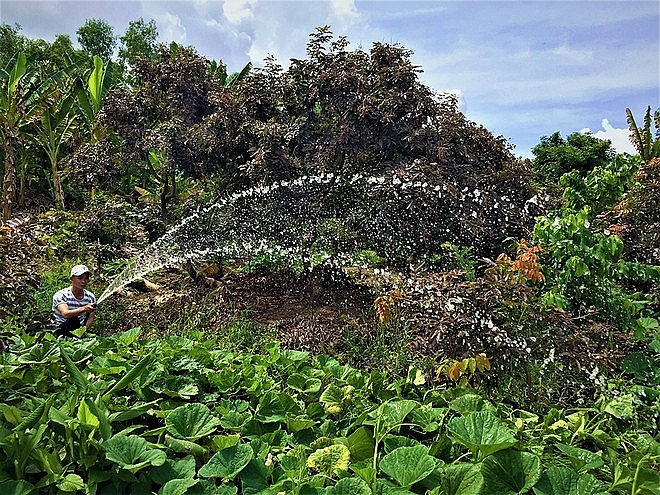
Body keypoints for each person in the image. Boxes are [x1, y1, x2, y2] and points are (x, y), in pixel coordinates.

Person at [52, 264, 97, 337]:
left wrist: (83, 331)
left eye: (86, 278)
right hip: (60, 329)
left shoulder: (90, 297)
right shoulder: (61, 295)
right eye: (80, 278)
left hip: (77, 329)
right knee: (73, 320)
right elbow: (65, 314)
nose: (83, 281)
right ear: (71, 279)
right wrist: (84, 309)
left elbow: (90, 317)